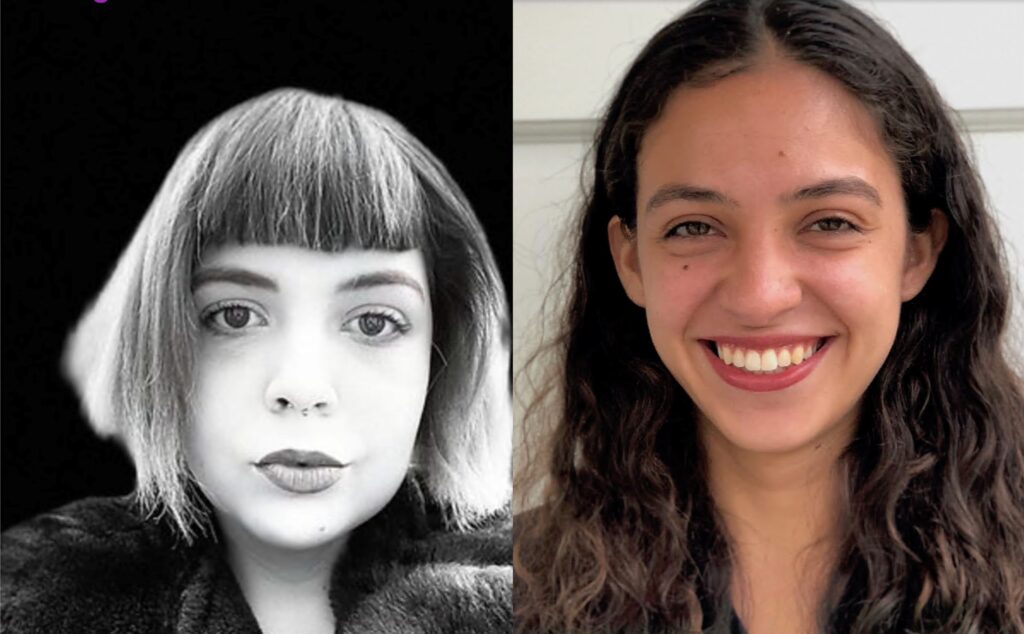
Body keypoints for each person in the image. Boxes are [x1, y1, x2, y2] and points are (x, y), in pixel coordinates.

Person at [513, 0, 1024, 632]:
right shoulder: (504, 593)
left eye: (830, 222)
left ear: (916, 251)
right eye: (694, 226)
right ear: (631, 261)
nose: (760, 295)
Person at [1, 88, 512, 634]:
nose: (301, 386)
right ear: (161, 337)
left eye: (373, 322)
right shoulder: (31, 597)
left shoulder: (528, 592)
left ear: (442, 360)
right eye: (236, 316)